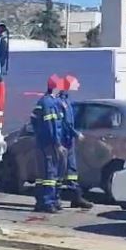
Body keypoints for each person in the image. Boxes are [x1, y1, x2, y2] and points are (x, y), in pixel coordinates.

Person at [57, 75, 94, 210]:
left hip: (68, 140)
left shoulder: (67, 100)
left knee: (72, 170)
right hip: (62, 139)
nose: (77, 85)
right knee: (60, 170)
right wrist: (76, 134)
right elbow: (64, 123)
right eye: (75, 83)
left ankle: (76, 197)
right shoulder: (60, 102)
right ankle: (55, 199)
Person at [30, 75, 65, 213]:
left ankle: (42, 201)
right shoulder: (48, 103)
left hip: (44, 141)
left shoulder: (46, 101)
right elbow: (51, 126)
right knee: (49, 173)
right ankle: (47, 202)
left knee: (44, 173)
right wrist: (57, 143)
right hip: (49, 143)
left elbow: (34, 121)